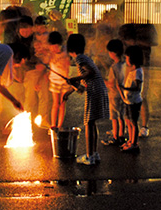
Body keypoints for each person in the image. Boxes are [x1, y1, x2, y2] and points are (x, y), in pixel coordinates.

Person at [63, 33, 109, 166]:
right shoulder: (84, 58)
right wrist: (69, 91)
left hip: (94, 91)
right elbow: (83, 81)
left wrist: (74, 79)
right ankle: (94, 154)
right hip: (98, 89)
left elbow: (89, 73)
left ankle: (89, 156)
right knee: (92, 122)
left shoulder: (79, 59)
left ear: (70, 48)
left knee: (88, 123)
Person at [103, 39, 127, 147]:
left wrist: (102, 81)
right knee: (121, 116)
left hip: (114, 94)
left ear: (113, 53)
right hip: (124, 94)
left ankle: (115, 137)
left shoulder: (114, 67)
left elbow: (111, 83)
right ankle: (122, 136)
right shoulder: (125, 64)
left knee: (114, 117)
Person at [120, 45, 144, 153]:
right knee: (128, 121)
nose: (126, 60)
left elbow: (137, 87)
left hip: (134, 102)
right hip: (128, 101)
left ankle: (134, 144)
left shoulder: (138, 72)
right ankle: (130, 140)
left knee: (133, 122)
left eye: (127, 57)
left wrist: (124, 88)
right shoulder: (133, 71)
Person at [47, 31, 71, 129]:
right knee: (55, 103)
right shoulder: (50, 53)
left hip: (65, 81)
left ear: (61, 45)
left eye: (56, 46)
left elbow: (68, 64)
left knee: (62, 104)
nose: (54, 49)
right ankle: (53, 125)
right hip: (54, 80)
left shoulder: (66, 51)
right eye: (52, 46)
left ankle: (59, 125)